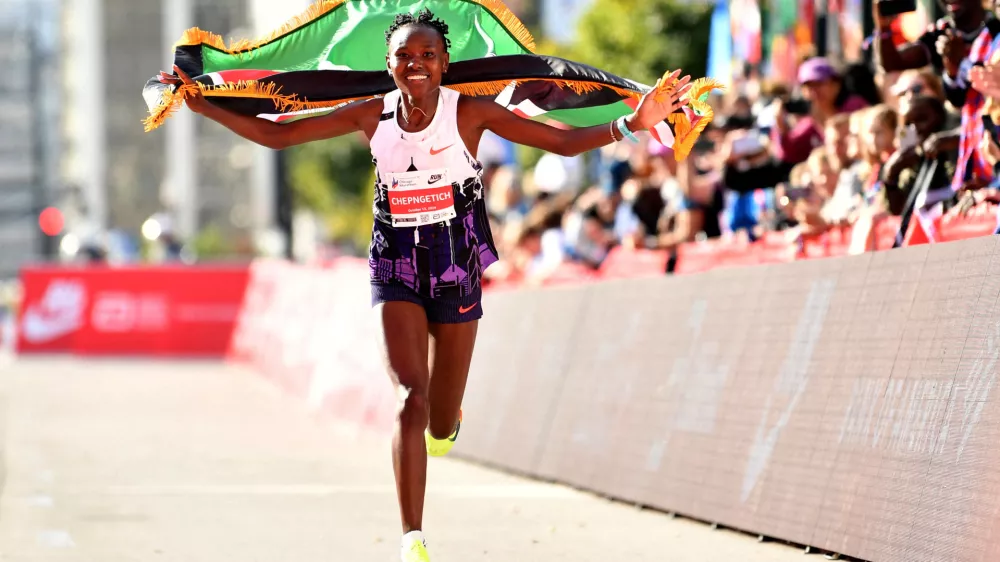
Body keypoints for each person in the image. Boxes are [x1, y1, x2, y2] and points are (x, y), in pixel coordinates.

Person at [168, 9, 692, 562]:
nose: (415, 65)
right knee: (410, 400)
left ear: (444, 64)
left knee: (439, 420)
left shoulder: (471, 113)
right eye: (404, 56)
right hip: (393, 259)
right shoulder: (373, 114)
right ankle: (411, 539)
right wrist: (205, 106)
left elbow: (558, 142)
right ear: (389, 64)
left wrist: (633, 123)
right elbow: (282, 135)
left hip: (455, 259)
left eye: (427, 56)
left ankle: (449, 423)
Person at [873, 0, 996, 91]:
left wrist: (960, 62)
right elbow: (892, 63)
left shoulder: (996, 28)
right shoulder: (940, 33)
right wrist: (884, 28)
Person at [772, 57, 869, 166]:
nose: (815, 91)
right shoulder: (809, 123)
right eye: (809, 86)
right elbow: (790, 151)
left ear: (836, 84)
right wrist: (780, 126)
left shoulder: (855, 107)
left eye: (819, 84)